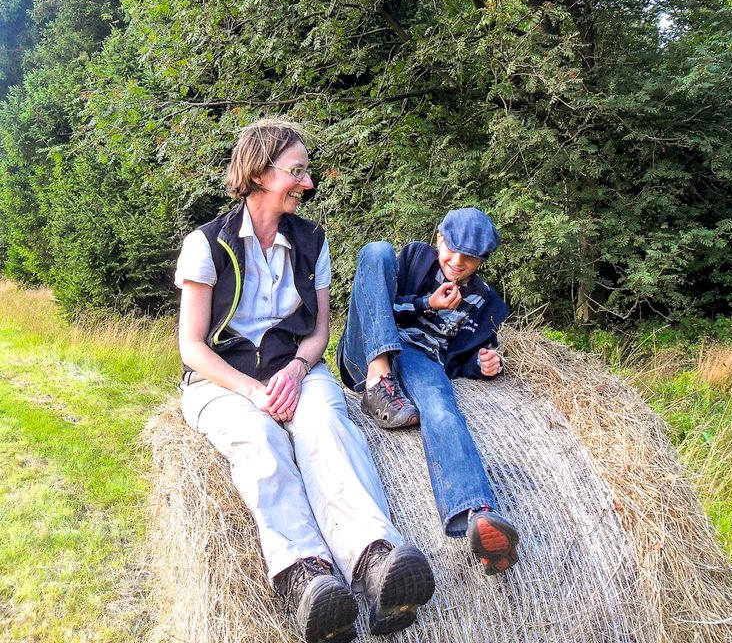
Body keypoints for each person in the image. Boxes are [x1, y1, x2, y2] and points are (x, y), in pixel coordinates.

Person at [176, 118, 434, 643]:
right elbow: (192, 347)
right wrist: (252, 392)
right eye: (297, 171)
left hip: (296, 369)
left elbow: (320, 333)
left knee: (328, 426)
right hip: (222, 383)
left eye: (306, 172)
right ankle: (304, 576)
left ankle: (374, 560)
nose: (308, 183)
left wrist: (296, 369)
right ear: (259, 173)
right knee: (262, 442)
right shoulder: (206, 245)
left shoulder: (313, 241)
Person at [337, 208, 519, 576]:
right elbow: (377, 309)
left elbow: (460, 362)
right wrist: (426, 304)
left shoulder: (485, 301)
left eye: (470, 257)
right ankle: (378, 382)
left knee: (442, 410)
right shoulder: (414, 260)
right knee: (375, 250)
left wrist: (483, 365)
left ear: (482, 260)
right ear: (439, 239)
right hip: (370, 347)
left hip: (421, 360)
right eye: (452, 250)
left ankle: (475, 515)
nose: (458, 262)